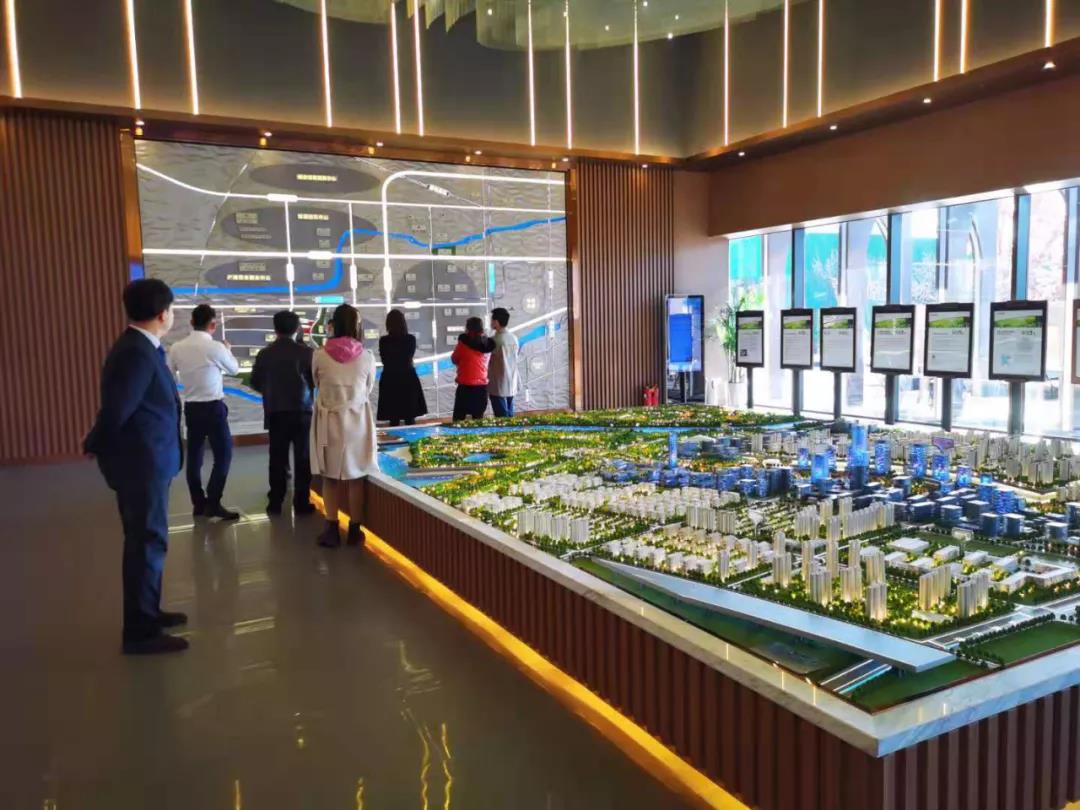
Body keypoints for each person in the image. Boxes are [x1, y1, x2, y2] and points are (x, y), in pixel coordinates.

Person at [84, 279, 188, 655]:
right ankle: (140, 632)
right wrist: (96, 443)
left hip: (147, 460)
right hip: (142, 463)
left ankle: (148, 612)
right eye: (172, 309)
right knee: (147, 542)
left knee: (148, 539)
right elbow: (117, 410)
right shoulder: (136, 353)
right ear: (163, 313)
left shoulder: (141, 347)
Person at [311, 304, 379, 548]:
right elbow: (368, 388)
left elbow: (316, 382)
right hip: (357, 421)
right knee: (356, 476)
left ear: (333, 325)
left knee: (330, 477)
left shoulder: (319, 355)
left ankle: (331, 528)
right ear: (357, 326)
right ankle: (355, 530)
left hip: (329, 421)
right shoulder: (367, 356)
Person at [168, 304, 241, 520]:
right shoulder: (216, 347)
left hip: (192, 407)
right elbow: (234, 369)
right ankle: (214, 502)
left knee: (195, 456)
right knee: (223, 455)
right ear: (213, 325)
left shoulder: (177, 347)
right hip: (214, 407)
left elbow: (169, 374)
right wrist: (227, 349)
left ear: (192, 322)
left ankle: (198, 503)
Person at [250, 310, 316, 516]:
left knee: (277, 457)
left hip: (276, 411)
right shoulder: (307, 353)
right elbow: (315, 381)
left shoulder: (265, 354)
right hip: (302, 411)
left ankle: (276, 501)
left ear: (275, 329)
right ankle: (302, 502)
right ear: (297, 328)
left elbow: (255, 382)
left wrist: (270, 391)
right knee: (303, 458)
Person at [377, 308, 428, 427]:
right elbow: (408, 357)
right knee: (410, 417)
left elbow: (384, 360)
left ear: (388, 324)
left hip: (390, 379)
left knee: (393, 418)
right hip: (408, 378)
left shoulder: (384, 341)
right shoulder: (410, 339)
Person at [450, 316, 495, 421]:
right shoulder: (488, 344)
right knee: (478, 421)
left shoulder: (463, 344)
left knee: (458, 419)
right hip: (481, 388)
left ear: (468, 328)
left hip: (465, 388)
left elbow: (454, 359)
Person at [487, 307, 519, 418]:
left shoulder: (494, 340)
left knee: (501, 417)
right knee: (510, 414)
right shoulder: (514, 338)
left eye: (492, 320)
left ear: (496, 322)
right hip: (512, 380)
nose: (490, 322)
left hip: (498, 382)